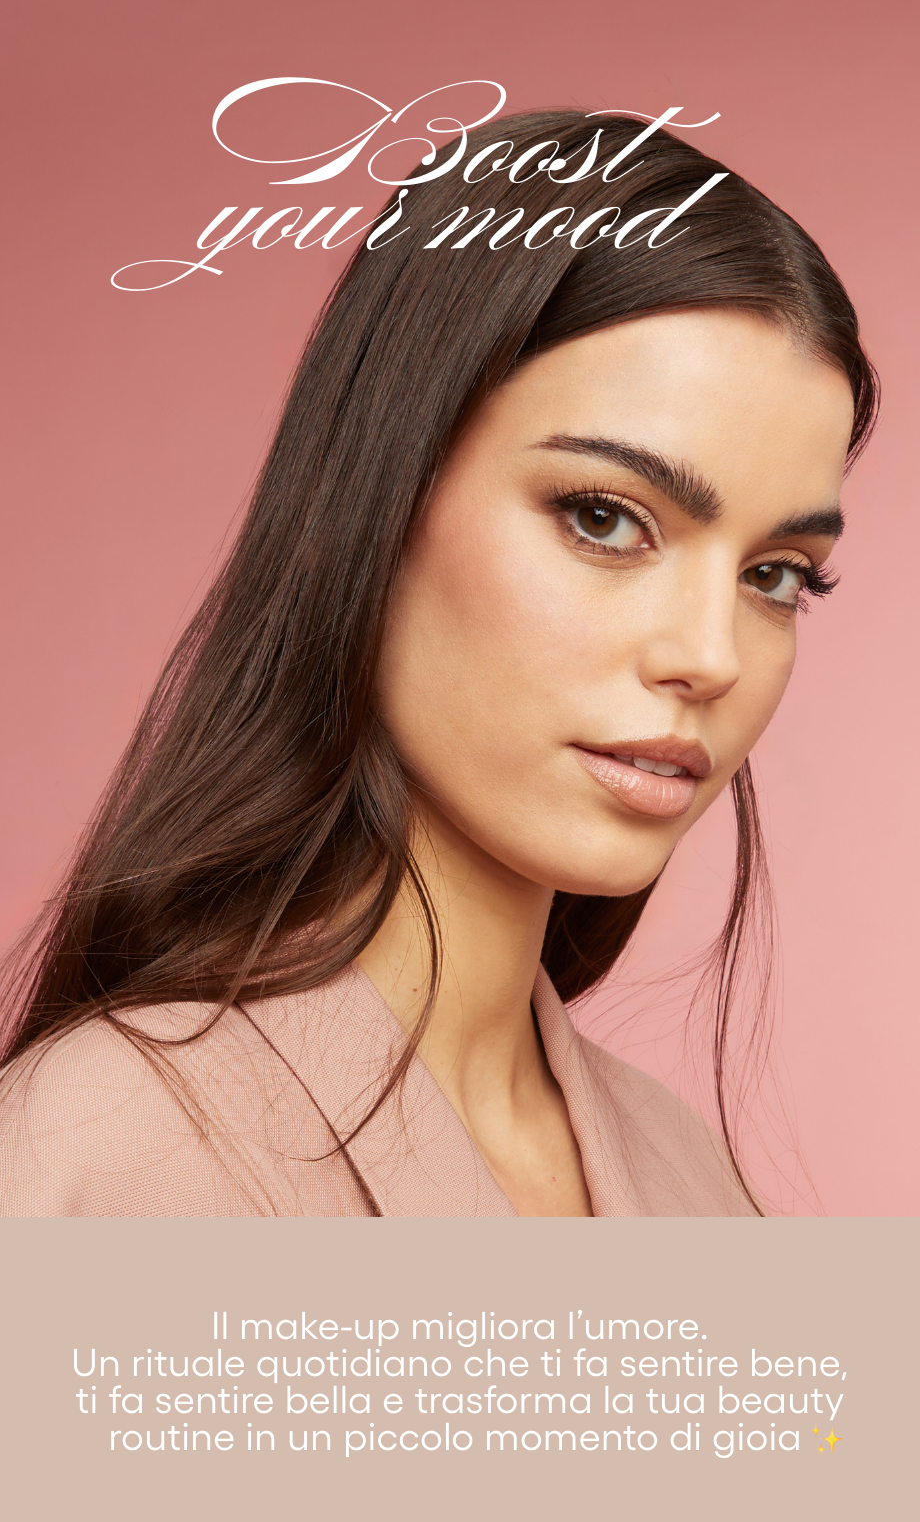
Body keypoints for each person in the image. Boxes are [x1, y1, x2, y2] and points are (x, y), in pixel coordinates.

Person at [0, 111, 877, 1218]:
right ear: (380, 495)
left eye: (775, 575)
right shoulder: (105, 1152)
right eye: (602, 517)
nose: (709, 658)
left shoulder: (692, 1185)